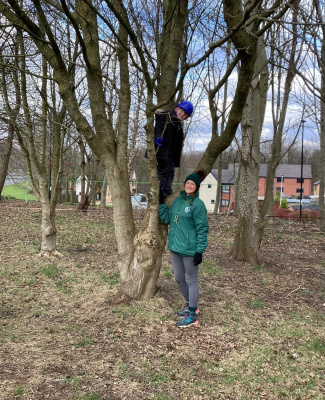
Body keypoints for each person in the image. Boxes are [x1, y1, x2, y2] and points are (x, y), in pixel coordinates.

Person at [159, 171, 209, 328]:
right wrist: (161, 204)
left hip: (190, 249)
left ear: (196, 187)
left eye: (192, 184)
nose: (189, 185)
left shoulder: (198, 205)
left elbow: (202, 228)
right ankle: (189, 305)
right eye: (187, 182)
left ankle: (192, 315)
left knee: (191, 279)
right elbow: (167, 219)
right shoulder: (178, 201)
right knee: (179, 278)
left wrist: (199, 250)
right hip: (175, 247)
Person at [155, 101, 194, 198]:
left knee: (170, 172)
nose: (183, 115)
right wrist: (158, 138)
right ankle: (159, 192)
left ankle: (167, 190)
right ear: (176, 108)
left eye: (185, 115)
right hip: (161, 152)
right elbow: (159, 127)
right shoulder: (166, 117)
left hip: (170, 155)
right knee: (163, 172)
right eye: (182, 111)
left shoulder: (178, 126)